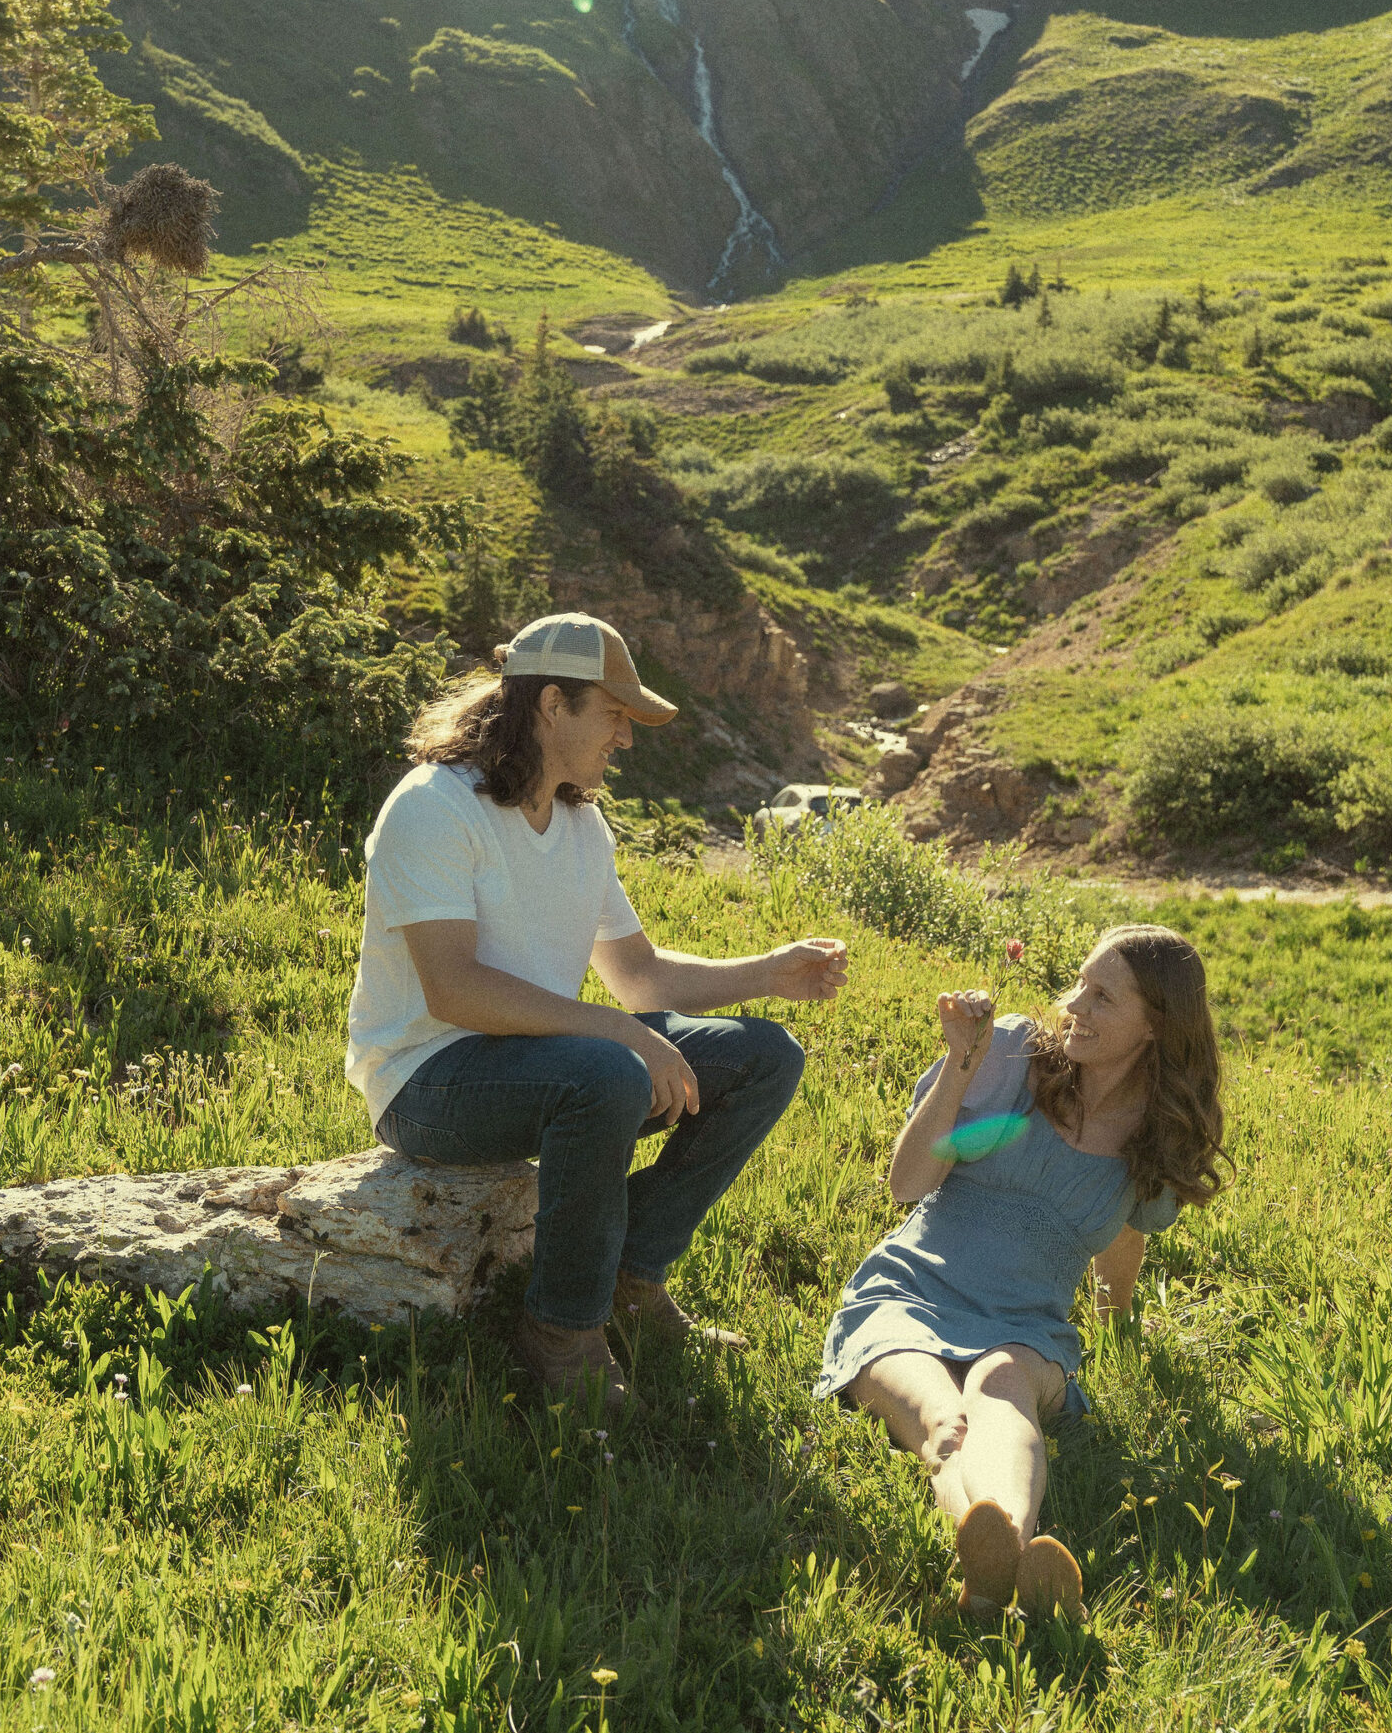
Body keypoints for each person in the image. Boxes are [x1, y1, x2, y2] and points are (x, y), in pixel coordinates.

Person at [347, 611, 847, 1414]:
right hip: (428, 1083)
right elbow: (453, 990)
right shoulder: (433, 807)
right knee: (606, 1070)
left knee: (765, 1057)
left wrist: (768, 972)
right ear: (551, 705)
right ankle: (559, 1334)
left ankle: (628, 1273)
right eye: (613, 714)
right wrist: (615, 1032)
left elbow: (639, 978)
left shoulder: (581, 823)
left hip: (542, 1063)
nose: (625, 736)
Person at [814, 926, 1228, 1620]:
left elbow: (1124, 1241)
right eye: (1077, 984)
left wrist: (1115, 1324)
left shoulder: (1160, 1132)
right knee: (940, 1418)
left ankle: (996, 1563)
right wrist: (959, 1064)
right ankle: (1002, 1563)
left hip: (1026, 1328)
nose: (1073, 1005)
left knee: (1000, 1385)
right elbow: (908, 1184)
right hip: (906, 1294)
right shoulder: (1008, 1054)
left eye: (1102, 997)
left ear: (1156, 1026)